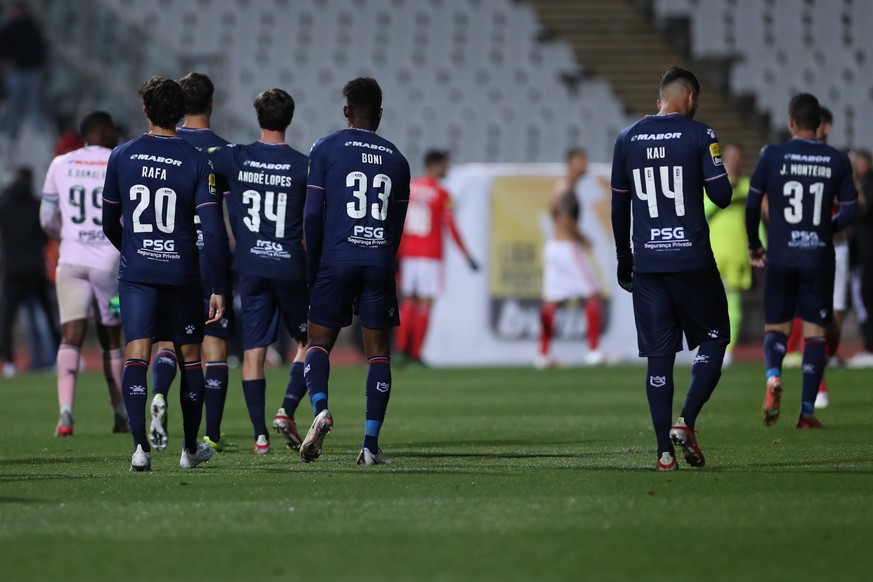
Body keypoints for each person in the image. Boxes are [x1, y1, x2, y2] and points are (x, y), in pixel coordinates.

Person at [102, 76, 228, 472]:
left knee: (137, 351)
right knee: (191, 357)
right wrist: (219, 287)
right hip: (181, 271)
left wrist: (135, 252)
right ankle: (190, 450)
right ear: (180, 113)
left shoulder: (121, 155)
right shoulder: (196, 159)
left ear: (145, 111)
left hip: (137, 271)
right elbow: (212, 230)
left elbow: (108, 221)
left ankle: (140, 449)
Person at [610, 66, 732, 471]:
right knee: (714, 337)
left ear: (659, 98)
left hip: (648, 264)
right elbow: (723, 195)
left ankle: (663, 453)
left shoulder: (626, 138)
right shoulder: (701, 135)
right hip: (692, 260)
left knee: (659, 359)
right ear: (691, 98)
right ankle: (687, 420)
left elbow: (618, 205)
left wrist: (623, 257)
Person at [302, 77, 410, 466]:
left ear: (346, 112)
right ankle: (369, 444)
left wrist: (314, 270)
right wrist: (382, 257)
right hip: (378, 259)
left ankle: (320, 409)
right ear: (380, 114)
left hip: (335, 258)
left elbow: (313, 215)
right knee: (378, 354)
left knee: (318, 344)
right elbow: (396, 224)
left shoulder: (326, 148)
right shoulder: (397, 159)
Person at [746, 93, 857, 430]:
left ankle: (774, 376)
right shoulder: (837, 160)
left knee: (776, 328)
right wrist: (824, 228)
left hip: (780, 255)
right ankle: (806, 411)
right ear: (820, 125)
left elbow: (752, 206)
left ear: (791, 121)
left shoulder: (772, 155)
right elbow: (851, 210)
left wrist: (755, 244)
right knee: (814, 332)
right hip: (817, 256)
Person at [210, 88, 309, 454]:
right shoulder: (303, 165)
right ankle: (287, 408)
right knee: (308, 341)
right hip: (288, 264)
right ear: (290, 117)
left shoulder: (234, 157)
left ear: (258, 117)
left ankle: (260, 436)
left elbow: (200, 154)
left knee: (253, 351)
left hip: (250, 265)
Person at [148, 72, 237, 453]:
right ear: (212, 103)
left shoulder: (166, 144)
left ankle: (158, 394)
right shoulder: (225, 150)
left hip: (171, 254)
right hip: (210, 256)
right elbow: (230, 216)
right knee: (213, 348)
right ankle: (211, 435)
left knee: (168, 341)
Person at [40, 111, 128, 436]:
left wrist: (67, 236)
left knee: (71, 336)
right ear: (102, 131)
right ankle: (120, 412)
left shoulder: (60, 164)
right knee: (111, 337)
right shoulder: (118, 159)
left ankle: (65, 412)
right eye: (113, 131)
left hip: (71, 261)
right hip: (109, 264)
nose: (117, 136)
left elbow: (47, 217)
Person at [395, 149, 477, 365]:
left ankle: (401, 350)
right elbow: (451, 227)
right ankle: (415, 354)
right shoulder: (442, 194)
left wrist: (397, 254)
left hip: (409, 254)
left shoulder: (410, 188)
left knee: (407, 303)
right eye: (445, 164)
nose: (447, 169)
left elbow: (399, 225)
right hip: (430, 256)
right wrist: (468, 256)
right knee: (425, 304)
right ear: (436, 165)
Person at [538, 148, 604, 368]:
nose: (585, 165)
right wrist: (582, 238)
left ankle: (544, 354)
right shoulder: (566, 188)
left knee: (552, 301)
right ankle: (593, 352)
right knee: (593, 295)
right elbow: (565, 218)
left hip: (555, 246)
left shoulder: (561, 187)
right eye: (580, 161)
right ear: (569, 163)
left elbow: (555, 215)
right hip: (567, 247)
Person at [0, 167, 60, 377]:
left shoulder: (4, 205)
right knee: (47, 316)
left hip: (13, 269)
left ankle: (9, 362)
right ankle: (57, 359)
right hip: (35, 267)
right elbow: (45, 233)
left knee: (8, 320)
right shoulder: (36, 205)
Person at [704, 144, 751, 366]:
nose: (733, 162)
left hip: (737, 251)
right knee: (708, 300)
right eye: (729, 157)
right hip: (712, 249)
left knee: (733, 299)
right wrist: (725, 192)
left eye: (736, 157)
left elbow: (755, 221)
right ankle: (708, 344)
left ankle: (728, 349)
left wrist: (758, 245)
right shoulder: (711, 185)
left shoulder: (747, 187)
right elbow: (704, 211)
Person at [0, 2, 46, 139]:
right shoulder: (9, 28)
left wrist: (39, 63)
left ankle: (36, 136)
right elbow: (3, 48)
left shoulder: (32, 26)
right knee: (13, 105)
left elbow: (40, 46)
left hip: (32, 71)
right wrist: (8, 60)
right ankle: (9, 134)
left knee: (35, 106)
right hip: (16, 72)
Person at [847, 149, 873, 368]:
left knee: (866, 297)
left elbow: (863, 208)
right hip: (862, 254)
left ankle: (870, 346)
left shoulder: (867, 183)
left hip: (868, 253)